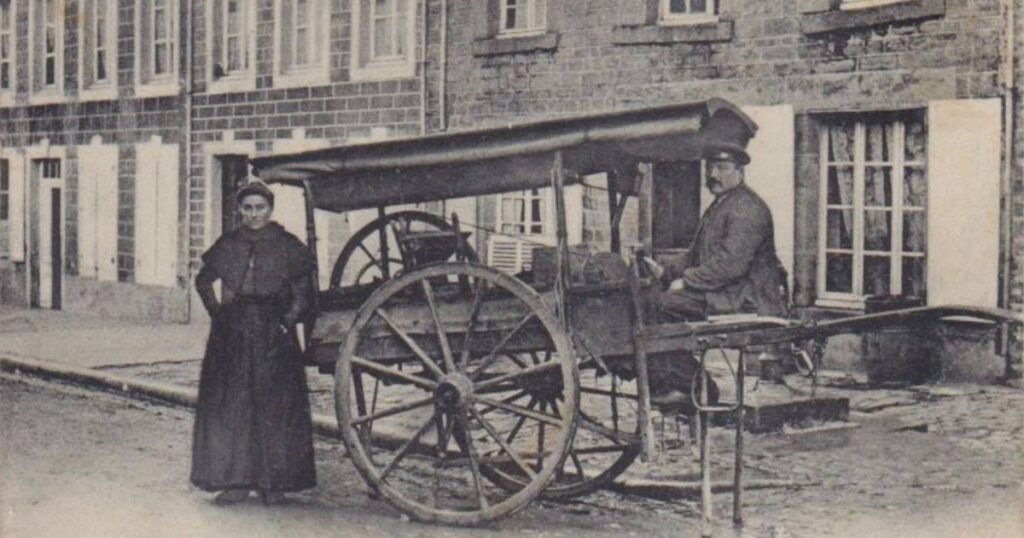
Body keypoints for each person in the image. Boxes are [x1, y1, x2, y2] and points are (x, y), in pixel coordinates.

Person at [190, 181, 317, 505]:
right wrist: (218, 314)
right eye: (247, 208)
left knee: (275, 405)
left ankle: (274, 483)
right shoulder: (229, 242)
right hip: (231, 336)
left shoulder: (287, 245)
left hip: (274, 335)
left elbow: (302, 293)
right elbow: (203, 281)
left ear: (270, 209)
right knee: (233, 405)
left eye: (259, 207)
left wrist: (285, 322)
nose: (254, 214)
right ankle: (236, 481)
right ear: (239, 210)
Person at [643, 143, 789, 407]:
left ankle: (691, 386)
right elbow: (696, 254)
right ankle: (679, 382)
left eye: (722, 168)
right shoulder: (722, 205)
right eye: (710, 168)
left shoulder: (747, 209)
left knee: (660, 307)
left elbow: (731, 265)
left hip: (746, 297)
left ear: (740, 172)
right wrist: (665, 270)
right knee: (654, 301)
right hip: (724, 291)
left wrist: (685, 281)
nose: (714, 175)